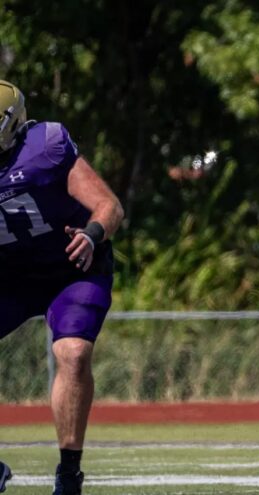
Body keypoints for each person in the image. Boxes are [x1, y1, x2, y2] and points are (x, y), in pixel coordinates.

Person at [0, 80, 123, 495]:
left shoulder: (45, 147)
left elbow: (109, 206)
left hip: (70, 268)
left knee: (73, 353)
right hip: (10, 276)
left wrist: (91, 234)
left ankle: (69, 474)